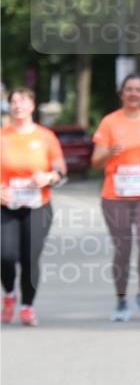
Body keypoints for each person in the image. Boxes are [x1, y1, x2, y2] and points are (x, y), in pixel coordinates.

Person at [91, 74, 140, 322]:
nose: (133, 93)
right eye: (129, 89)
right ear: (121, 93)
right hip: (116, 196)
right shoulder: (109, 122)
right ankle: (121, 299)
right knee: (123, 248)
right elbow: (95, 162)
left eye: (138, 89)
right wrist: (108, 153)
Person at [1, 87, 66, 326]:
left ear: (32, 104)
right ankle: (9, 294)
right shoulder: (2, 136)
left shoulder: (45, 136)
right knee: (5, 255)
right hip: (6, 206)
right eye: (14, 102)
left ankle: (27, 307)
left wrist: (48, 177)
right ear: (9, 107)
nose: (18, 106)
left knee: (30, 257)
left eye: (23, 101)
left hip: (38, 205)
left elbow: (60, 169)